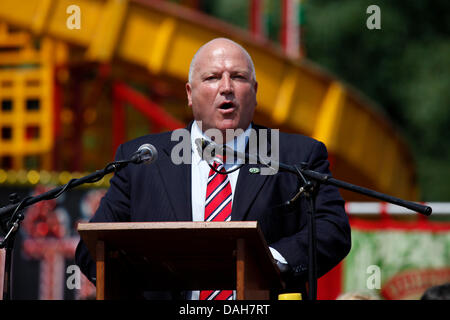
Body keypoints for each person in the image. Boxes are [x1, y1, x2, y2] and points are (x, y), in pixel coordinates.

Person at [75, 37, 351, 300]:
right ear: (189, 94)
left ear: (254, 91)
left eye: (239, 77)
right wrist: (147, 275)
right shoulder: (144, 159)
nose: (226, 87)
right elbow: (93, 249)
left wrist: (269, 262)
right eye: (212, 77)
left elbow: (332, 230)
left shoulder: (296, 156)